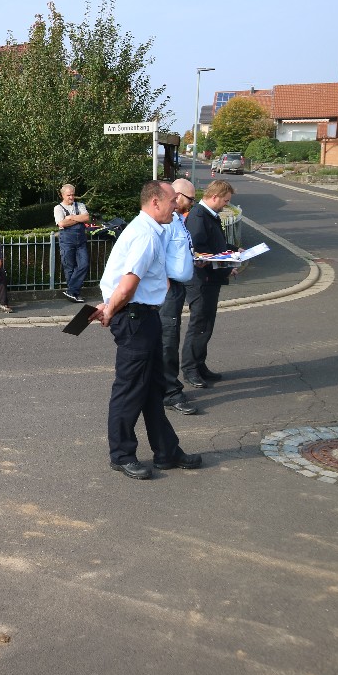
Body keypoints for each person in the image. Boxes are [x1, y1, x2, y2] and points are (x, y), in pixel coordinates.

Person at [91, 180, 202, 480]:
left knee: (153, 389)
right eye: (172, 201)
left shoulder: (149, 231)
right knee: (129, 390)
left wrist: (110, 306)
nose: (176, 206)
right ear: (155, 202)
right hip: (135, 319)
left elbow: (124, 283)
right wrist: (111, 310)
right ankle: (121, 455)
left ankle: (167, 451)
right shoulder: (146, 236)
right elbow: (128, 285)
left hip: (143, 316)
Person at [181, 179, 238, 389]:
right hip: (201, 280)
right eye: (225, 200)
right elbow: (198, 251)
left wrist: (234, 251)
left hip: (209, 278)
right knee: (199, 324)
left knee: (206, 325)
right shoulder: (198, 216)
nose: (226, 204)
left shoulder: (207, 214)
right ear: (215, 197)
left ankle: (199, 364)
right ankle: (190, 369)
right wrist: (226, 262)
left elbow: (215, 244)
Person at [160, 179, 200, 415]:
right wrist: (164, 282)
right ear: (176, 196)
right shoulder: (166, 222)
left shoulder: (177, 219)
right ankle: (170, 393)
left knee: (170, 337)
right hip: (168, 290)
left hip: (176, 287)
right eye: (190, 199)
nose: (191, 204)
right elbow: (156, 253)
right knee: (168, 341)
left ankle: (165, 389)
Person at [54, 184, 91, 303]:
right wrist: (78, 219)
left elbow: (86, 218)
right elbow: (61, 224)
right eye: (68, 195)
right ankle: (75, 294)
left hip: (81, 241)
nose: (71, 197)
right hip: (66, 242)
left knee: (84, 264)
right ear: (63, 195)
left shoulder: (80, 205)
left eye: (73, 195)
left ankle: (71, 291)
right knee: (69, 267)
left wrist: (70, 217)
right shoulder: (58, 208)